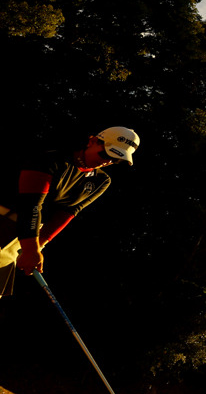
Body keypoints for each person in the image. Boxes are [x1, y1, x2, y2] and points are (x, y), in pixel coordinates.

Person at [0, 127, 140, 296]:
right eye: (106, 154)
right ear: (92, 141)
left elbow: (69, 212)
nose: (107, 162)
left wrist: (38, 246)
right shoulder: (51, 159)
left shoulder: (101, 180)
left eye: (116, 160)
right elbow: (30, 205)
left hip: (24, 236)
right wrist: (31, 248)